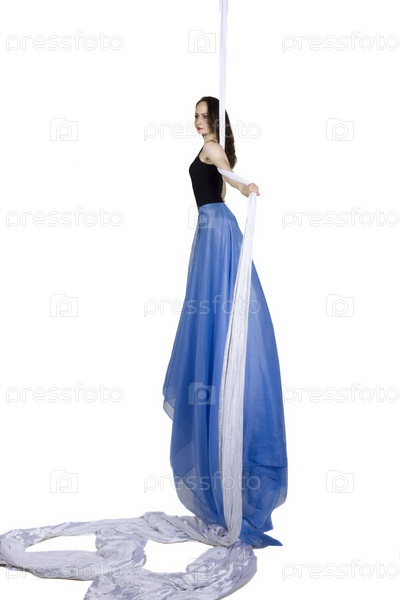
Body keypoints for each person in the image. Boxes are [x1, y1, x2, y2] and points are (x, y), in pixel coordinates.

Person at [162, 96, 288, 548]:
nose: (197, 122)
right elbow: (225, 181)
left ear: (216, 119)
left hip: (216, 231)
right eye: (195, 116)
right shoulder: (209, 147)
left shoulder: (213, 148)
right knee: (209, 311)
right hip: (210, 229)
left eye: (203, 115)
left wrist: (247, 185)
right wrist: (239, 183)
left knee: (216, 311)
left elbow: (230, 179)